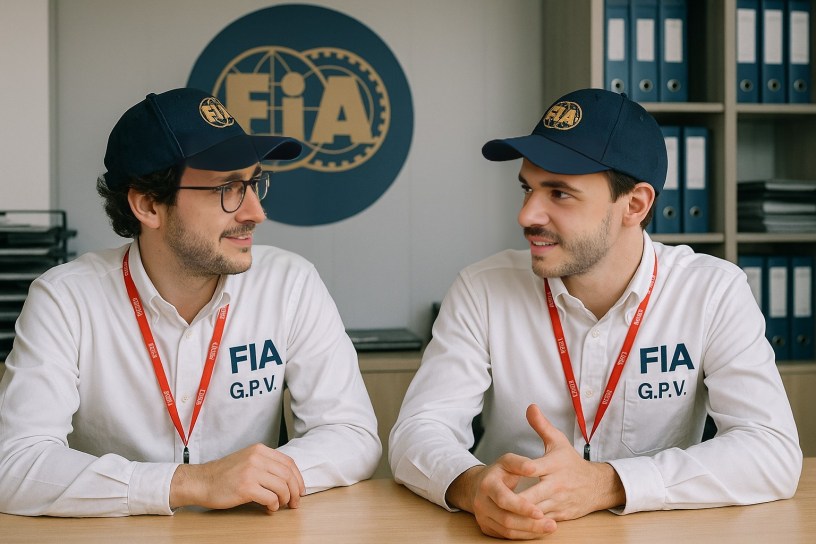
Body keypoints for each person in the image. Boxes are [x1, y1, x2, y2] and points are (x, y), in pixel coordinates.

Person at [389, 88, 802, 539]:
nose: (527, 215)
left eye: (559, 193)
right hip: (516, 532)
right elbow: (417, 432)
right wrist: (473, 487)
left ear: (635, 205)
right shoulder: (481, 288)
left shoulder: (712, 291)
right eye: (528, 188)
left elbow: (771, 450)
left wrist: (606, 484)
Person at [0, 88, 380, 517]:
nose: (256, 212)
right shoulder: (65, 300)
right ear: (148, 205)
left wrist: (262, 477)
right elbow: (14, 466)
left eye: (253, 183)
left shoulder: (289, 284)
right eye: (227, 189)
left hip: (247, 532)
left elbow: (350, 434)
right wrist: (191, 483)